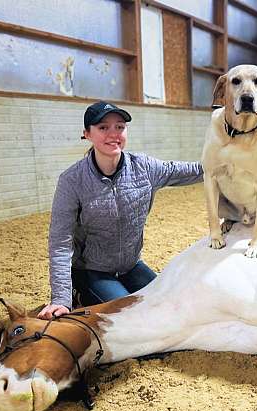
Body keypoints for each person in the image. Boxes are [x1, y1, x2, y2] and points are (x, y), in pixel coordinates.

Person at [38, 101, 203, 320]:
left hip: (131, 266)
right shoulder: (72, 181)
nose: (113, 134)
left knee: (169, 304)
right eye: (103, 127)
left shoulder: (144, 166)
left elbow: (192, 171)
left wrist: (232, 160)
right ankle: (81, 293)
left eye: (120, 127)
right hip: (92, 271)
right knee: (134, 316)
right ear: (87, 133)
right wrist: (61, 299)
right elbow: (60, 241)